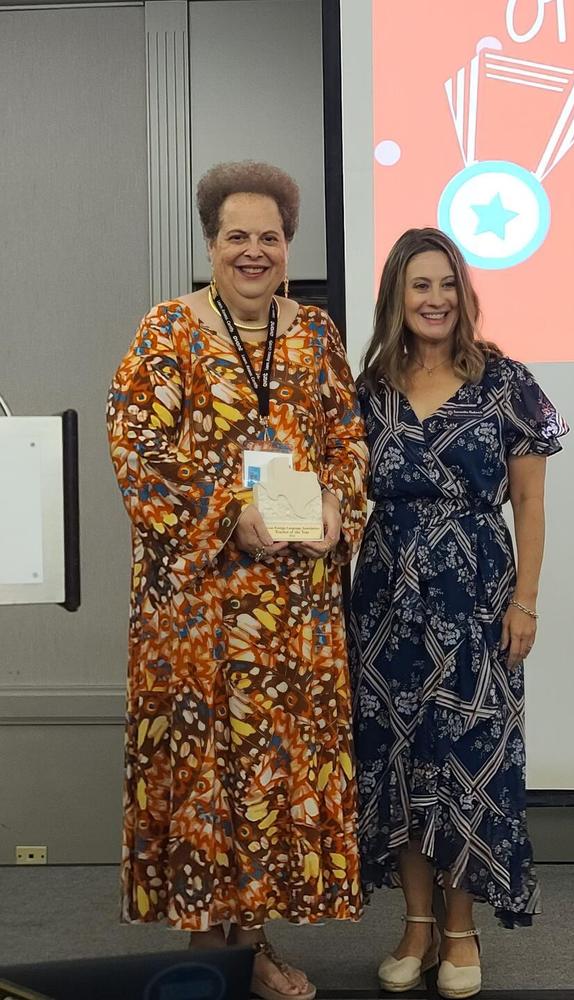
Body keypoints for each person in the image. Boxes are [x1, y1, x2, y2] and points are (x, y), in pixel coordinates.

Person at [106, 161, 368, 1000]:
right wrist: (229, 514)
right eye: (236, 237)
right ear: (211, 245)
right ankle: (198, 947)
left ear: (288, 246)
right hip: (197, 607)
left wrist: (336, 503)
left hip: (293, 609)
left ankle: (251, 942)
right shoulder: (165, 332)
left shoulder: (316, 335)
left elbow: (347, 444)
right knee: (201, 770)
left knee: (268, 774)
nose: (253, 251)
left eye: (270, 237)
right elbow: (135, 452)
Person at [349, 228, 568, 998]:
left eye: (446, 284)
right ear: (396, 299)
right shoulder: (370, 387)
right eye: (419, 286)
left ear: (465, 295)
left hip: (476, 599)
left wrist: (526, 601)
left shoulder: (506, 382)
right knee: (399, 760)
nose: (434, 299)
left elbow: (532, 501)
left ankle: (462, 928)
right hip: (383, 602)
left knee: (469, 763)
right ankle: (415, 924)